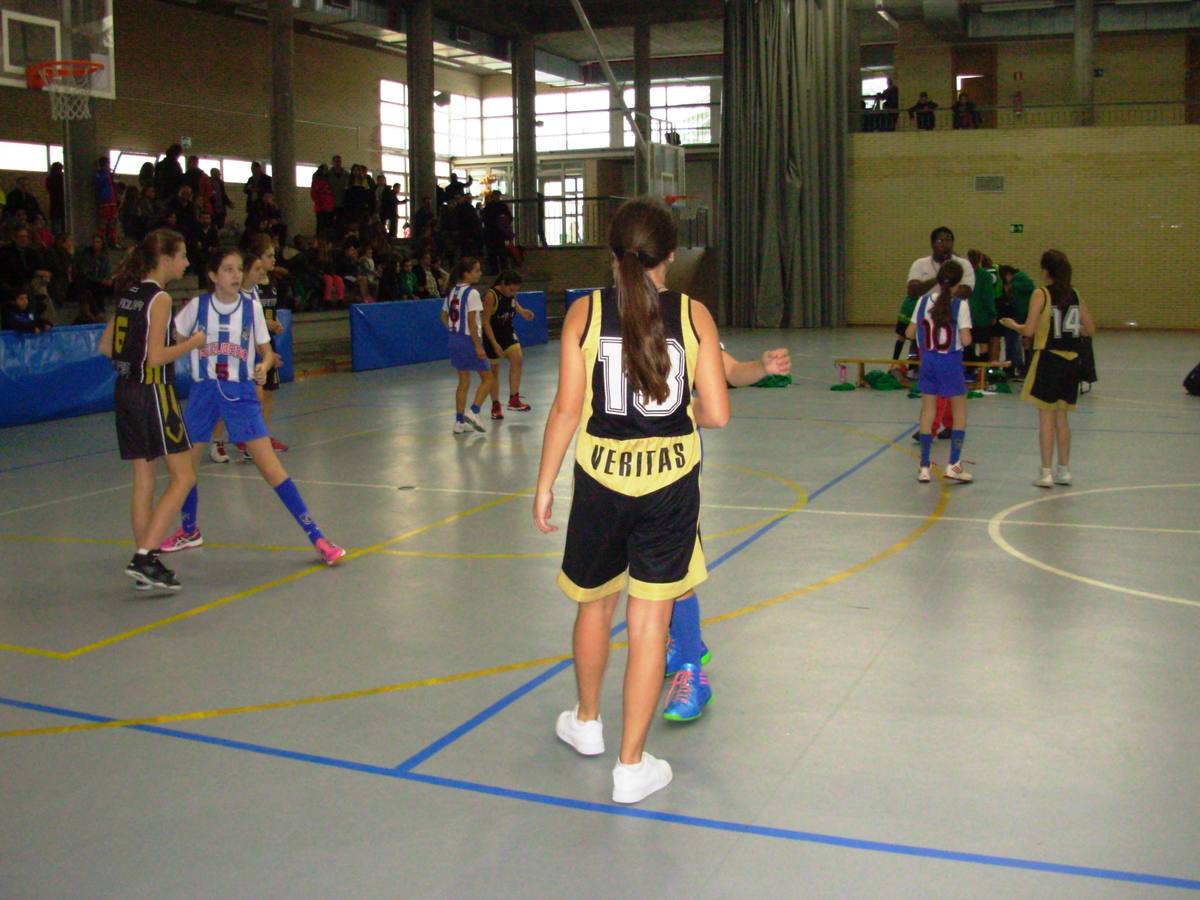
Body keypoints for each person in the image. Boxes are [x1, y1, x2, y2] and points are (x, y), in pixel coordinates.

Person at [535, 199, 728, 805]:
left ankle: (587, 722)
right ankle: (631, 766)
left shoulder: (584, 313)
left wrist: (543, 484)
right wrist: (673, 417)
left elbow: (567, 407)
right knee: (650, 625)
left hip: (599, 481)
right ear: (671, 255)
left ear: (613, 252)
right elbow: (717, 413)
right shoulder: (693, 316)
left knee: (595, 607)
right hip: (669, 488)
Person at [158, 247, 345, 565]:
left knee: (271, 468)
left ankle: (318, 538)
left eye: (238, 269)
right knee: (185, 469)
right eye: (228, 269)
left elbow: (266, 351)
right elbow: (174, 341)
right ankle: (189, 529)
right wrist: (187, 347)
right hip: (203, 392)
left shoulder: (251, 308)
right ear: (213, 275)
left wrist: (265, 364)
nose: (235, 275)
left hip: (240, 394)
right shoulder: (197, 308)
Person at [661, 345, 790, 723]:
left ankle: (690, 670)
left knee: (675, 567)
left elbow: (731, 371)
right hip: (622, 459)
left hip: (675, 460)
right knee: (643, 566)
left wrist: (761, 367)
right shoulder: (609, 316)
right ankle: (685, 640)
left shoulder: (687, 318)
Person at [97, 229, 207, 590]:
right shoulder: (159, 299)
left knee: (144, 481)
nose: (187, 262)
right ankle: (145, 557)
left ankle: (144, 558)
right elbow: (157, 358)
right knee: (184, 476)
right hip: (153, 393)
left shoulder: (130, 294)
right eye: (183, 256)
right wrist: (192, 343)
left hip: (125, 392)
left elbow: (105, 346)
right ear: (166, 259)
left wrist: (137, 357)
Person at [998, 249, 1095, 488]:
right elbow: (1090, 329)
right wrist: (1071, 330)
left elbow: (1029, 331)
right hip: (1071, 362)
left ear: (1045, 270)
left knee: (1045, 420)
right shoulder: (1075, 293)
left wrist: (1013, 325)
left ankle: (1046, 472)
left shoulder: (1041, 294)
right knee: (1062, 419)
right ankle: (1064, 470)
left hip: (1049, 360)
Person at [906, 259, 974, 483]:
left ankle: (924, 466)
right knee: (959, 412)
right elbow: (965, 339)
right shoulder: (960, 304)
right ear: (958, 282)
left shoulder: (923, 301)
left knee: (927, 411)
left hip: (928, 361)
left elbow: (909, 333)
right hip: (950, 361)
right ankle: (953, 464)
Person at [241, 234, 290, 454]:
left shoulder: (273, 283)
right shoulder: (247, 285)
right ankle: (246, 436)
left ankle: (264, 436)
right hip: (251, 345)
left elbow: (268, 313)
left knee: (267, 393)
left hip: (267, 343)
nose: (273, 260)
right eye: (269, 255)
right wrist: (265, 323)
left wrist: (274, 323)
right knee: (252, 394)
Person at [440, 256, 493, 434]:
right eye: (476, 270)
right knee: (488, 378)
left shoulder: (452, 291)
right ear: (466, 273)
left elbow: (443, 316)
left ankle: (459, 421)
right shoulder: (472, 293)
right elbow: (472, 321)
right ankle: (474, 411)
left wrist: (453, 330)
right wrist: (477, 346)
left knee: (463, 381)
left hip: (454, 339)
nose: (480, 273)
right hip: (469, 340)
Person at [481, 270, 534, 419]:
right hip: (492, 334)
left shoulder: (510, 294)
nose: (513, 293)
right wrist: (494, 343)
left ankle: (514, 399)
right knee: (494, 371)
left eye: (516, 290)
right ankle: (495, 406)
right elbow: (485, 322)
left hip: (507, 332)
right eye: (511, 289)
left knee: (518, 358)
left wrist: (522, 312)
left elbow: (512, 301)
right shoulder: (491, 296)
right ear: (503, 284)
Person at [997, 264, 1034, 379]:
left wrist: (1012, 286)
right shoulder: (1015, 281)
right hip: (1017, 313)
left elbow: (1030, 285)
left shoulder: (1019, 277)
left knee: (1015, 340)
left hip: (1022, 313)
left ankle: (1018, 365)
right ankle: (1014, 366)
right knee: (1013, 340)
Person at [45, 162, 65, 234]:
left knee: (56, 226)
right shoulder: (62, 177)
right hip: (61, 205)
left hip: (54, 205)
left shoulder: (49, 178)